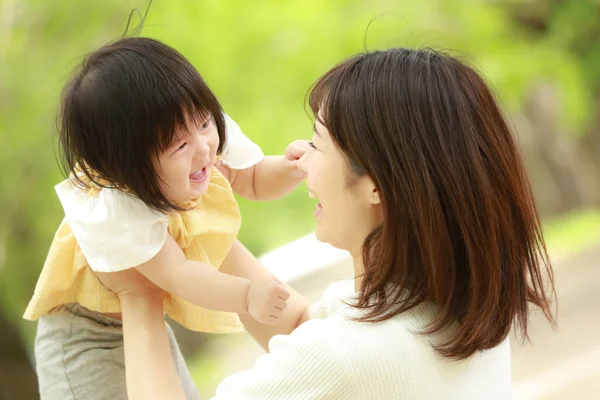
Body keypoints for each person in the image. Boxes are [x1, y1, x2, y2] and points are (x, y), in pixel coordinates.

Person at [97, 48, 557, 399]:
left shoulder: (351, 354)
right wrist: (197, 223)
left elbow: (327, 354)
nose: (303, 166)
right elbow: (303, 328)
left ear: (376, 186)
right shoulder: (457, 309)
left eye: (316, 145)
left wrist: (137, 296)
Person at [23, 37, 310, 400]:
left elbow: (251, 177)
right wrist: (247, 294)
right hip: (87, 338)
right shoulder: (120, 209)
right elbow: (180, 275)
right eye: (179, 145)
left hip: (144, 317)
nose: (203, 148)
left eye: (204, 122)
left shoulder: (200, 133)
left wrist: (289, 169)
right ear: (124, 169)